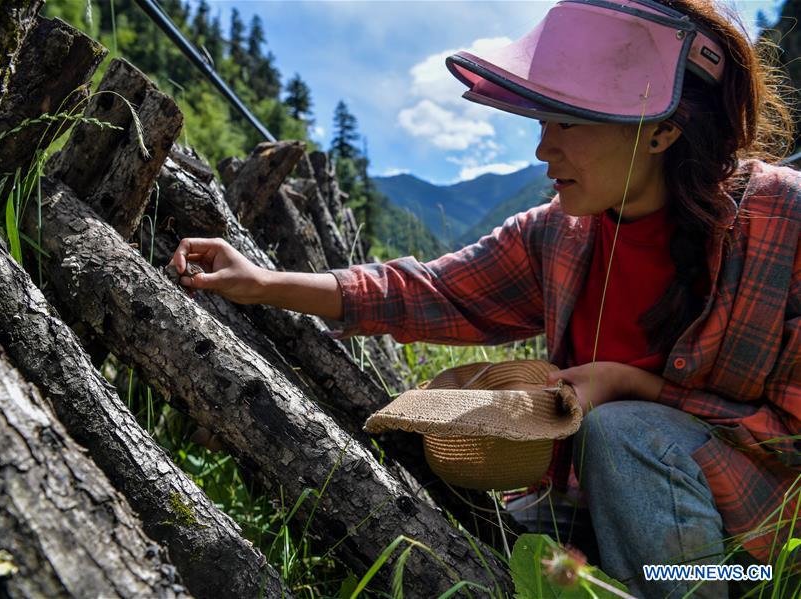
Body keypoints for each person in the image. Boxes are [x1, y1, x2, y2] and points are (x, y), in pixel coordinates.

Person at [169, 0, 800, 596]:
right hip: (595, 507)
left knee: (623, 431)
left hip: (754, 540)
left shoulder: (784, 223)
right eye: (542, 121)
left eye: (568, 123)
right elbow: (430, 290)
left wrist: (631, 387)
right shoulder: (559, 232)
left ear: (660, 131)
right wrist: (262, 282)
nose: (543, 148)